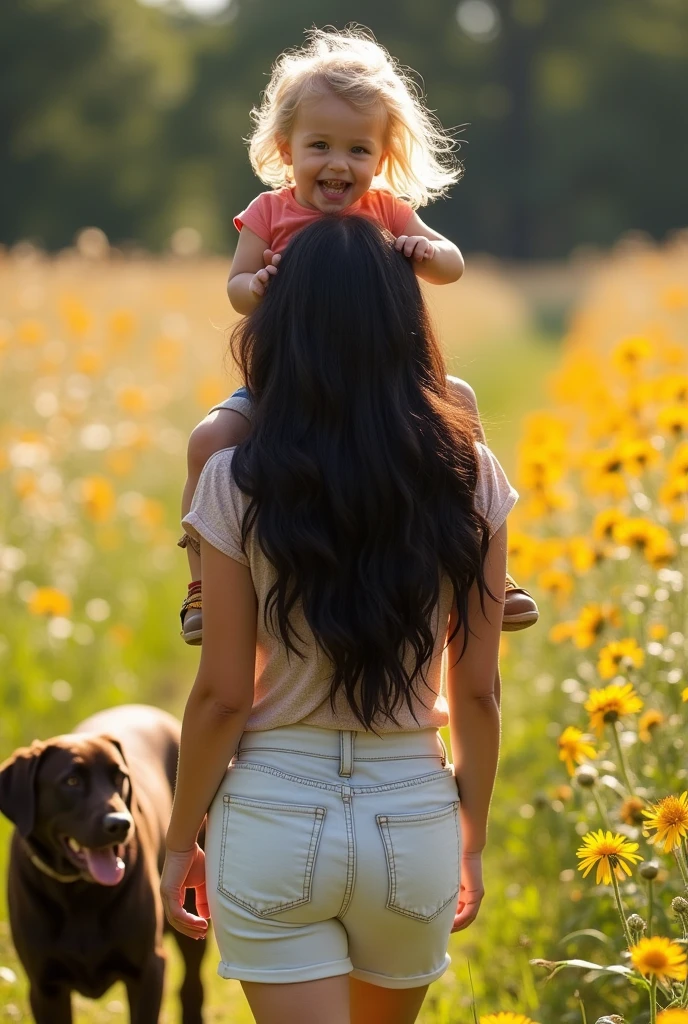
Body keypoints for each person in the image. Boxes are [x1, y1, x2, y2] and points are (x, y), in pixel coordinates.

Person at [161, 214, 517, 1024]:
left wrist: (181, 841)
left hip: (272, 813)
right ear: (407, 326)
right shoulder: (467, 470)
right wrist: (471, 838)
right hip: (412, 815)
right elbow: (478, 691)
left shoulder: (231, 478)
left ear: (280, 328)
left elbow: (220, 695)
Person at [177, 26, 538, 644]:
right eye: (319, 145)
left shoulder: (387, 210)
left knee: (465, 408)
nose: (338, 164)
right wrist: (258, 283)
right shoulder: (268, 213)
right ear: (287, 150)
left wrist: (425, 249)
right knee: (209, 439)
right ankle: (202, 585)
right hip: (283, 382)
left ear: (382, 156)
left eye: (358, 150)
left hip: (388, 378)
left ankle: (486, 566)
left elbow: (450, 264)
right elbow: (235, 288)